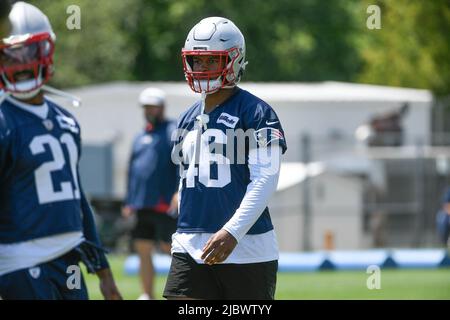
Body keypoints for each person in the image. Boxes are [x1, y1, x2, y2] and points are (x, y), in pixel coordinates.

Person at [0, 2, 121, 300]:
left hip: (69, 260)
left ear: (47, 51)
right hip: (21, 263)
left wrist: (103, 271)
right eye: (9, 54)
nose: (21, 63)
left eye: (28, 52)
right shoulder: (4, 120)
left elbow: (77, 198)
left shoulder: (65, 120)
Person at [163, 17, 287, 300]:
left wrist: (232, 231)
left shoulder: (256, 112)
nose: (202, 68)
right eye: (197, 61)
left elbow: (266, 178)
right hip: (190, 245)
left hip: (247, 248)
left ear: (233, 60)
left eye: (212, 61)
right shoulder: (186, 117)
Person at [122, 87, 178, 300]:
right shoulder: (140, 135)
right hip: (141, 204)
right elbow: (133, 169)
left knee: (172, 250)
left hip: (165, 204)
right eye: (146, 107)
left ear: (162, 107)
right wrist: (129, 200)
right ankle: (147, 294)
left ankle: (183, 293)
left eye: (153, 106)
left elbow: (182, 164)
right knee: (143, 249)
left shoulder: (172, 131)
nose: (149, 110)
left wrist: (177, 192)